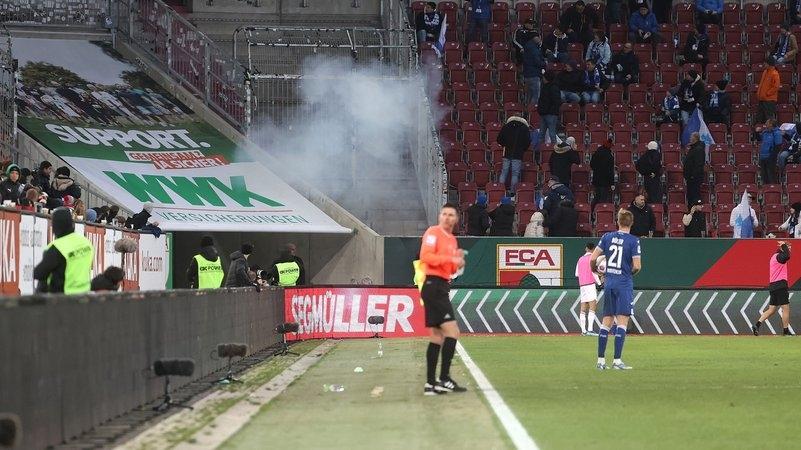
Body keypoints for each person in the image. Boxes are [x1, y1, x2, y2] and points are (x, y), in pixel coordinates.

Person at [419, 203, 467, 395]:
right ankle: (444, 378)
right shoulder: (433, 232)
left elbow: (451, 270)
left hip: (441, 285)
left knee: (437, 336)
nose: (447, 217)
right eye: (444, 214)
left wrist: (458, 263)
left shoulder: (452, 240)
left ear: (456, 219)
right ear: (440, 216)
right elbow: (426, 256)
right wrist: (451, 260)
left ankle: (431, 384)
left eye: (451, 215)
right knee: (452, 331)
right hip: (433, 286)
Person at [590, 209, 642, 370]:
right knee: (622, 321)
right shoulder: (634, 241)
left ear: (618, 222)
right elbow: (637, 266)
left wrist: (598, 272)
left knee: (606, 321)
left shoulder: (607, 237)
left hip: (609, 283)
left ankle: (600, 361)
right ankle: (617, 361)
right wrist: (627, 273)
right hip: (624, 284)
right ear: (631, 223)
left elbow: (593, 259)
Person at [32, 208, 94, 294]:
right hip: (84, 293)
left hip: (63, 297)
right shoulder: (86, 242)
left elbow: (38, 273)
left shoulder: (57, 247)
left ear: (55, 226)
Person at [752, 241, 794, 336]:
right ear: (783, 249)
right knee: (785, 308)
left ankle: (757, 325)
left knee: (772, 309)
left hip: (773, 286)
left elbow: (786, 255)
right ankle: (786, 331)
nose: (790, 250)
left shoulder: (774, 257)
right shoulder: (779, 256)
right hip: (780, 285)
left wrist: (784, 247)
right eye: (788, 248)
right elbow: (787, 256)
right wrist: (783, 245)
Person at [497, 116, 532, 192]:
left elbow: (499, 139)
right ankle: (512, 193)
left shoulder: (506, 126)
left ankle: (500, 190)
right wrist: (523, 149)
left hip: (507, 152)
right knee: (515, 174)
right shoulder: (524, 128)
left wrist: (505, 144)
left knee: (504, 172)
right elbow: (528, 141)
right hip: (518, 154)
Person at [576, 243, 601, 336]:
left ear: (586, 248)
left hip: (582, 285)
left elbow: (577, 274)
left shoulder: (580, 259)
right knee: (592, 306)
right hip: (590, 284)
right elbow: (594, 272)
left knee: (583, 307)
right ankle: (590, 330)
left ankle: (583, 331)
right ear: (594, 249)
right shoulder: (593, 259)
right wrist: (599, 283)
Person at [538, 71, 562, 150]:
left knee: (552, 134)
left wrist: (549, 110)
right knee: (541, 133)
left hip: (550, 114)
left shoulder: (554, 87)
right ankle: (540, 151)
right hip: (543, 113)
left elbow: (556, 101)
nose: (543, 79)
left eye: (544, 77)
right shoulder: (544, 86)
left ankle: (555, 151)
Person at [755, 56, 780, 125]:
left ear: (769, 64)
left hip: (769, 100)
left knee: (768, 119)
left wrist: (767, 93)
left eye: (765, 63)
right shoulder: (765, 72)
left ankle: (769, 134)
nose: (764, 64)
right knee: (759, 118)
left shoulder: (774, 74)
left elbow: (776, 86)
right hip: (762, 99)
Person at [522, 32, 545, 105]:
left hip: (527, 74)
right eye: (539, 37)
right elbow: (537, 62)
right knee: (535, 96)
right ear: (535, 38)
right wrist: (545, 63)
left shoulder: (528, 46)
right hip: (534, 74)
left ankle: (527, 113)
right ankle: (531, 114)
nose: (540, 39)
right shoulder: (534, 49)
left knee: (529, 96)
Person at [590, 139, 615, 207]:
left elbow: (591, 165)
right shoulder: (609, 156)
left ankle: (593, 212)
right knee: (603, 199)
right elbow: (610, 171)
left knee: (597, 197)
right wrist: (612, 183)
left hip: (596, 180)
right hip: (605, 182)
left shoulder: (596, 153)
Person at [759, 119, 783, 184]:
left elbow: (778, 146)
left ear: (771, 124)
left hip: (771, 157)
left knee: (771, 175)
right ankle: (765, 190)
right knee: (764, 175)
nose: (765, 124)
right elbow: (758, 139)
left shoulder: (777, 133)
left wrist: (772, 156)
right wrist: (756, 132)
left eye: (767, 123)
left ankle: (773, 189)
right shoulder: (765, 132)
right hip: (763, 156)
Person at [684, 132, 706, 205]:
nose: (690, 138)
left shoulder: (698, 149)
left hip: (694, 179)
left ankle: (696, 213)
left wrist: (693, 176)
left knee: (695, 196)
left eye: (691, 137)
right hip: (690, 178)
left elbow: (698, 165)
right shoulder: (693, 148)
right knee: (691, 196)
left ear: (695, 138)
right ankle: (691, 211)